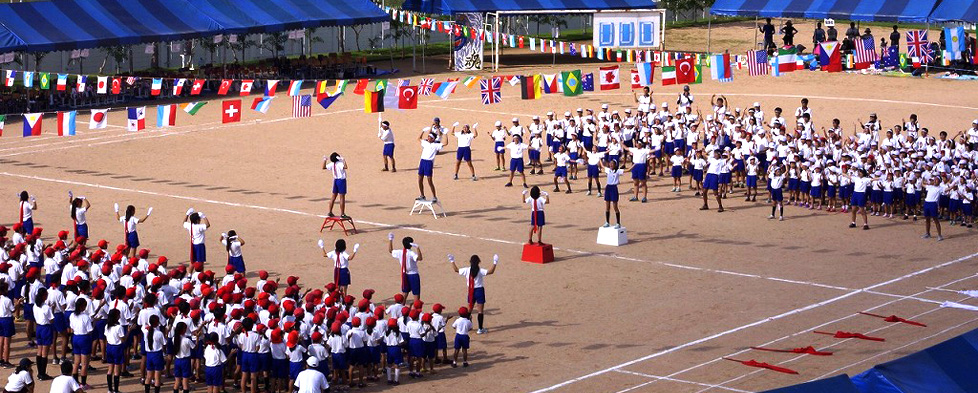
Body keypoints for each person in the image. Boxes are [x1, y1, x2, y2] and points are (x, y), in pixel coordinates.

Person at [449, 254, 497, 335]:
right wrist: (495, 262)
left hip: (470, 291)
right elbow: (491, 271)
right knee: (480, 311)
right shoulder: (480, 271)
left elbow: (456, 270)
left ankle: (467, 326)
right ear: (479, 262)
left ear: (470, 262)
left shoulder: (467, 270)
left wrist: (452, 260)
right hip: (479, 291)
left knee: (469, 310)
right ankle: (480, 329)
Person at [388, 234, 423, 303]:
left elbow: (390, 250)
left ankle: (401, 309)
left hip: (405, 275)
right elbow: (420, 258)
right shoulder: (411, 253)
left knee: (405, 293)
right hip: (413, 275)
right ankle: (415, 311)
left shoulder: (400, 252)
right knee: (416, 296)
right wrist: (418, 248)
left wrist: (390, 239)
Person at [416, 130, 443, 202]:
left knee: (429, 180)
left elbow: (446, 143)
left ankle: (434, 196)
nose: (428, 138)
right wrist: (422, 131)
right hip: (422, 161)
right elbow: (419, 138)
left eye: (430, 137)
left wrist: (445, 135)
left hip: (429, 162)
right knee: (419, 179)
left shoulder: (435, 145)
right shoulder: (425, 143)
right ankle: (422, 195)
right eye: (428, 137)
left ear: (433, 139)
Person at [322, 152, 349, 219]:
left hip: (335, 180)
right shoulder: (340, 164)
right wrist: (344, 160)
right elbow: (345, 167)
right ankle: (342, 214)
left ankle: (330, 212)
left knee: (333, 197)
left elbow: (324, 167)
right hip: (341, 181)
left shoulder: (332, 164)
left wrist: (325, 160)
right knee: (342, 197)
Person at [599, 159, 623, 228]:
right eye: (610, 163)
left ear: (615, 165)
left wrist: (635, 165)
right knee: (607, 206)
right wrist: (599, 158)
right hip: (608, 188)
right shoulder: (608, 170)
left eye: (613, 164)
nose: (611, 165)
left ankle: (618, 223)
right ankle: (607, 222)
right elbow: (602, 166)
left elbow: (627, 170)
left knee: (615, 207)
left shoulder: (618, 171)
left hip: (614, 188)